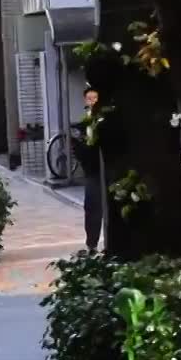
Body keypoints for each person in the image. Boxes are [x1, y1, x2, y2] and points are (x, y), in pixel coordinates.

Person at [79, 86, 103, 251]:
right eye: (89, 98)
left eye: (95, 98)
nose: (93, 101)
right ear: (85, 100)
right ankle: (92, 244)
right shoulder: (83, 123)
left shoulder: (106, 120)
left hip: (107, 168)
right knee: (91, 205)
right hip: (92, 170)